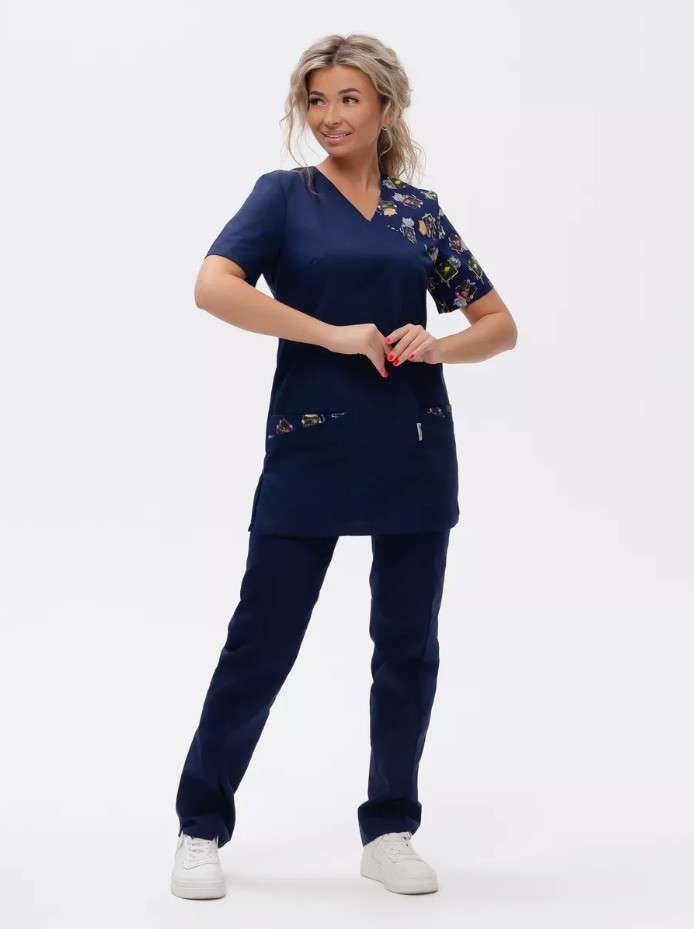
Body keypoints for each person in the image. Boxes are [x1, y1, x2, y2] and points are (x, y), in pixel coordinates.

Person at [171, 32, 517, 900]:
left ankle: (390, 828)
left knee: (407, 649)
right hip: (310, 447)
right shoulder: (283, 197)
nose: (329, 115)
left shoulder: (417, 213)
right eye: (316, 100)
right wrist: (330, 333)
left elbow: (498, 324)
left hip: (413, 449)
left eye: (348, 98)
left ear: (386, 108)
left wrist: (437, 344)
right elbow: (214, 286)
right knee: (261, 641)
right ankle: (200, 825)